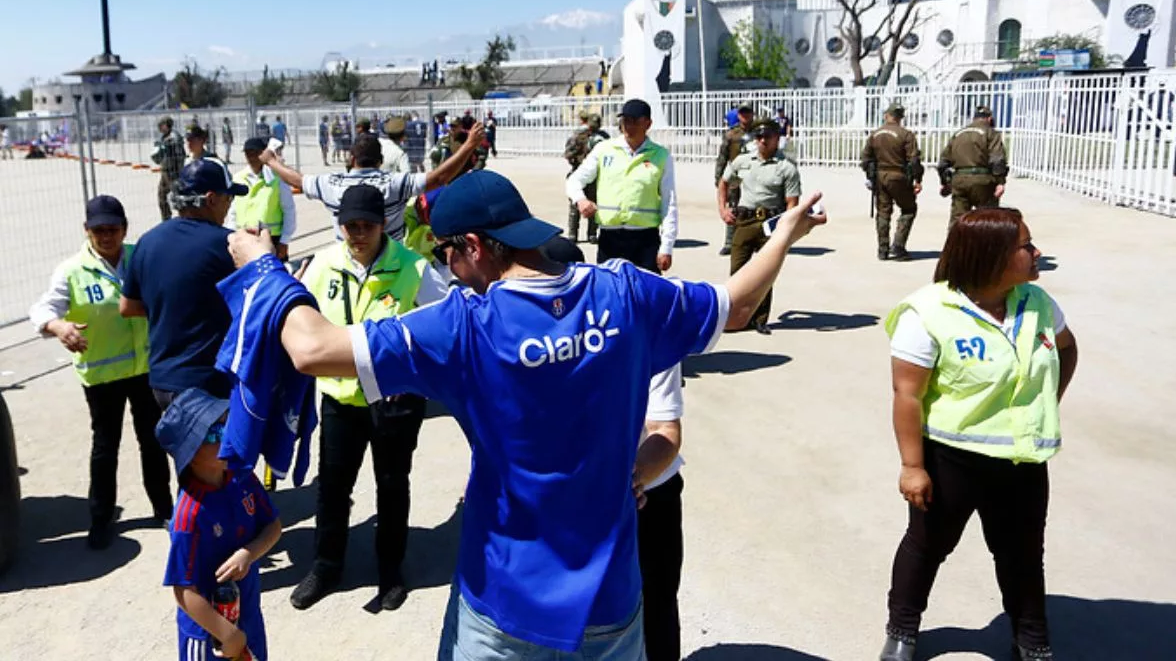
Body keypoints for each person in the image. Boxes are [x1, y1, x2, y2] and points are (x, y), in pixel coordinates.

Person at [223, 168, 829, 658]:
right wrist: (783, 235)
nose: (446, 271)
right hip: (611, 602)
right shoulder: (628, 293)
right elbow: (739, 305)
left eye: (446, 256)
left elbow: (310, 349)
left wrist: (261, 266)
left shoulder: (464, 327)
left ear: (477, 247)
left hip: (506, 602)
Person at [877, 208, 1079, 661]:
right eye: (1026, 246)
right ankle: (902, 630)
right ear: (991, 257)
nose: (1036, 253)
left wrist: (1047, 401)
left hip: (1024, 460)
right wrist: (912, 466)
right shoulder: (929, 311)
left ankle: (1032, 639)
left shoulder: (1038, 304)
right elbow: (907, 395)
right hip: (953, 459)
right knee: (928, 547)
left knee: (1023, 554)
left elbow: (1067, 350)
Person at [289, 185, 447, 612]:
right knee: (333, 488)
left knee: (392, 486)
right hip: (340, 400)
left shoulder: (414, 268)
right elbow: (294, 314)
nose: (358, 234)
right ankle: (325, 567)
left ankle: (391, 572)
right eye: (350, 226)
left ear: (384, 226)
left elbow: (444, 325)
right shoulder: (323, 264)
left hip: (395, 404)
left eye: (367, 226)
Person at [538, 237, 687, 661]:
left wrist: (630, 479)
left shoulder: (644, 333)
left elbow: (664, 430)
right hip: (568, 497)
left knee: (655, 602)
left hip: (648, 493)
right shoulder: (528, 343)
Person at [28, 195, 173, 549]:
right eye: (98, 230)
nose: (106, 236)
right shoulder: (72, 270)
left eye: (113, 229)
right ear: (86, 231)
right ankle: (101, 519)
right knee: (105, 448)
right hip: (102, 377)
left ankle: (165, 509)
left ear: (125, 229)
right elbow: (43, 308)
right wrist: (58, 326)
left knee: (153, 441)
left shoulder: (142, 255)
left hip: (145, 370)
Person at [158, 389, 282, 661]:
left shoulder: (241, 476)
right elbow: (183, 591)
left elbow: (273, 526)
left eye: (227, 426)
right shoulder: (189, 515)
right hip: (209, 632)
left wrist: (249, 553)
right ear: (188, 452)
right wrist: (227, 634)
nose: (226, 438)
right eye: (213, 435)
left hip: (247, 614)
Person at [121, 158, 247, 407]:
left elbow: (127, 306)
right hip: (208, 383)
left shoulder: (147, 241)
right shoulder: (228, 244)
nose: (229, 206)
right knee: (222, 447)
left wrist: (172, 306)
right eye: (228, 198)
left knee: (183, 447)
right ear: (211, 199)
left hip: (162, 381)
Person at [261, 127, 484, 242]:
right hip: (393, 266)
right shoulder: (394, 184)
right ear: (380, 161)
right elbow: (438, 178)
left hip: (346, 266)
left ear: (351, 159)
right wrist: (469, 145)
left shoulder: (331, 184)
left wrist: (271, 161)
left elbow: (298, 179)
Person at [567, 98, 678, 273]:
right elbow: (574, 180)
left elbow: (669, 202)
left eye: (634, 121)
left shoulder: (661, 156)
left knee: (645, 296)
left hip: (645, 239)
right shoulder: (604, 149)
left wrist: (667, 246)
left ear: (647, 123)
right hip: (610, 239)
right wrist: (580, 200)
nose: (628, 126)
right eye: (625, 120)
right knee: (611, 294)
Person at [717, 120, 802, 334]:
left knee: (765, 273)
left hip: (770, 224)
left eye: (768, 137)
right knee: (737, 270)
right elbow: (724, 183)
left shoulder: (786, 167)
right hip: (744, 221)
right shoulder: (743, 161)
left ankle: (760, 319)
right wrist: (723, 209)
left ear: (777, 138)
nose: (763, 141)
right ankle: (734, 317)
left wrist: (786, 228)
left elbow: (792, 201)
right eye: (759, 137)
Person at [862, 104, 924, 261]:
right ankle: (898, 246)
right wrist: (918, 180)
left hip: (880, 177)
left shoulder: (875, 134)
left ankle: (882, 249)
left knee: (883, 212)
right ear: (900, 117)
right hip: (899, 176)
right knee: (909, 209)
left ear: (886, 115)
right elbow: (914, 160)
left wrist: (870, 177)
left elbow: (865, 159)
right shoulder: (906, 135)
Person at [224, 137, 296, 262]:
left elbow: (289, 210)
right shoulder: (238, 178)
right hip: (244, 237)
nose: (251, 157)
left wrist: (284, 241)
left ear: (264, 153)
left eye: (255, 153)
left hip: (272, 239)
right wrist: (231, 236)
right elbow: (233, 211)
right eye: (248, 153)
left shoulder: (277, 178)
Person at [937, 105, 1008, 227]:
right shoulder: (991, 133)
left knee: (958, 220)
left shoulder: (958, 134)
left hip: (959, 180)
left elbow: (943, 162)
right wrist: (1000, 181)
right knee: (987, 219)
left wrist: (945, 182)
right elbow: (997, 159)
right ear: (990, 119)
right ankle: (985, 245)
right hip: (983, 181)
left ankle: (955, 245)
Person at [714, 103, 754, 255]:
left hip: (755, 175)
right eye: (742, 113)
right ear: (738, 115)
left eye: (748, 112)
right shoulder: (731, 135)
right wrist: (718, 178)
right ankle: (730, 242)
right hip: (735, 176)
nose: (745, 116)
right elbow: (722, 157)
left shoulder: (759, 133)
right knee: (733, 208)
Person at [564, 113, 610, 244]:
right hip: (579, 172)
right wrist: (579, 160)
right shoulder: (578, 136)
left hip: (595, 176)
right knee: (575, 206)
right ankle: (573, 234)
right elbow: (568, 153)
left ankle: (592, 234)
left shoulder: (604, 137)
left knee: (593, 205)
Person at [151, 116, 188, 222]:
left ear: (167, 125)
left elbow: (180, 156)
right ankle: (166, 219)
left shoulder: (174, 137)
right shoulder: (164, 137)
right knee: (161, 197)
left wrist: (178, 172)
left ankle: (185, 219)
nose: (159, 128)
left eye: (161, 125)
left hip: (173, 173)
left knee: (179, 198)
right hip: (165, 172)